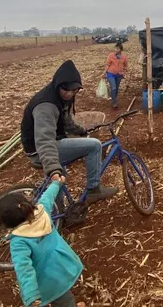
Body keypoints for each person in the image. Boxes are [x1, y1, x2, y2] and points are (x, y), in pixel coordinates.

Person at [0, 177, 86, 307]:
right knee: (63, 298)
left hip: (39, 283)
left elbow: (24, 268)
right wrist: (57, 183)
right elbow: (48, 196)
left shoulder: (19, 241)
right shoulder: (42, 212)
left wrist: (31, 293)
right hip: (58, 273)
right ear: (27, 206)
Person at [20, 60, 117, 205]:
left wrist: (82, 130)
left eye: (74, 90)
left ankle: (59, 213)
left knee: (59, 179)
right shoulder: (46, 105)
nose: (69, 94)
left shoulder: (59, 96)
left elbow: (66, 121)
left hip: (47, 143)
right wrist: (52, 168)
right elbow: (45, 140)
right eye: (66, 90)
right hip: (39, 150)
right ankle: (93, 190)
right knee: (95, 146)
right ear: (58, 85)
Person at [104, 42, 128, 108]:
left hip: (119, 75)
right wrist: (104, 73)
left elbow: (126, 66)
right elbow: (107, 64)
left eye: (117, 49)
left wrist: (124, 72)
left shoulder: (124, 57)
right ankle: (114, 102)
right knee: (114, 87)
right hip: (110, 74)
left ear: (121, 50)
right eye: (115, 48)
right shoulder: (111, 55)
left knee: (116, 88)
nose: (116, 50)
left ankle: (114, 99)